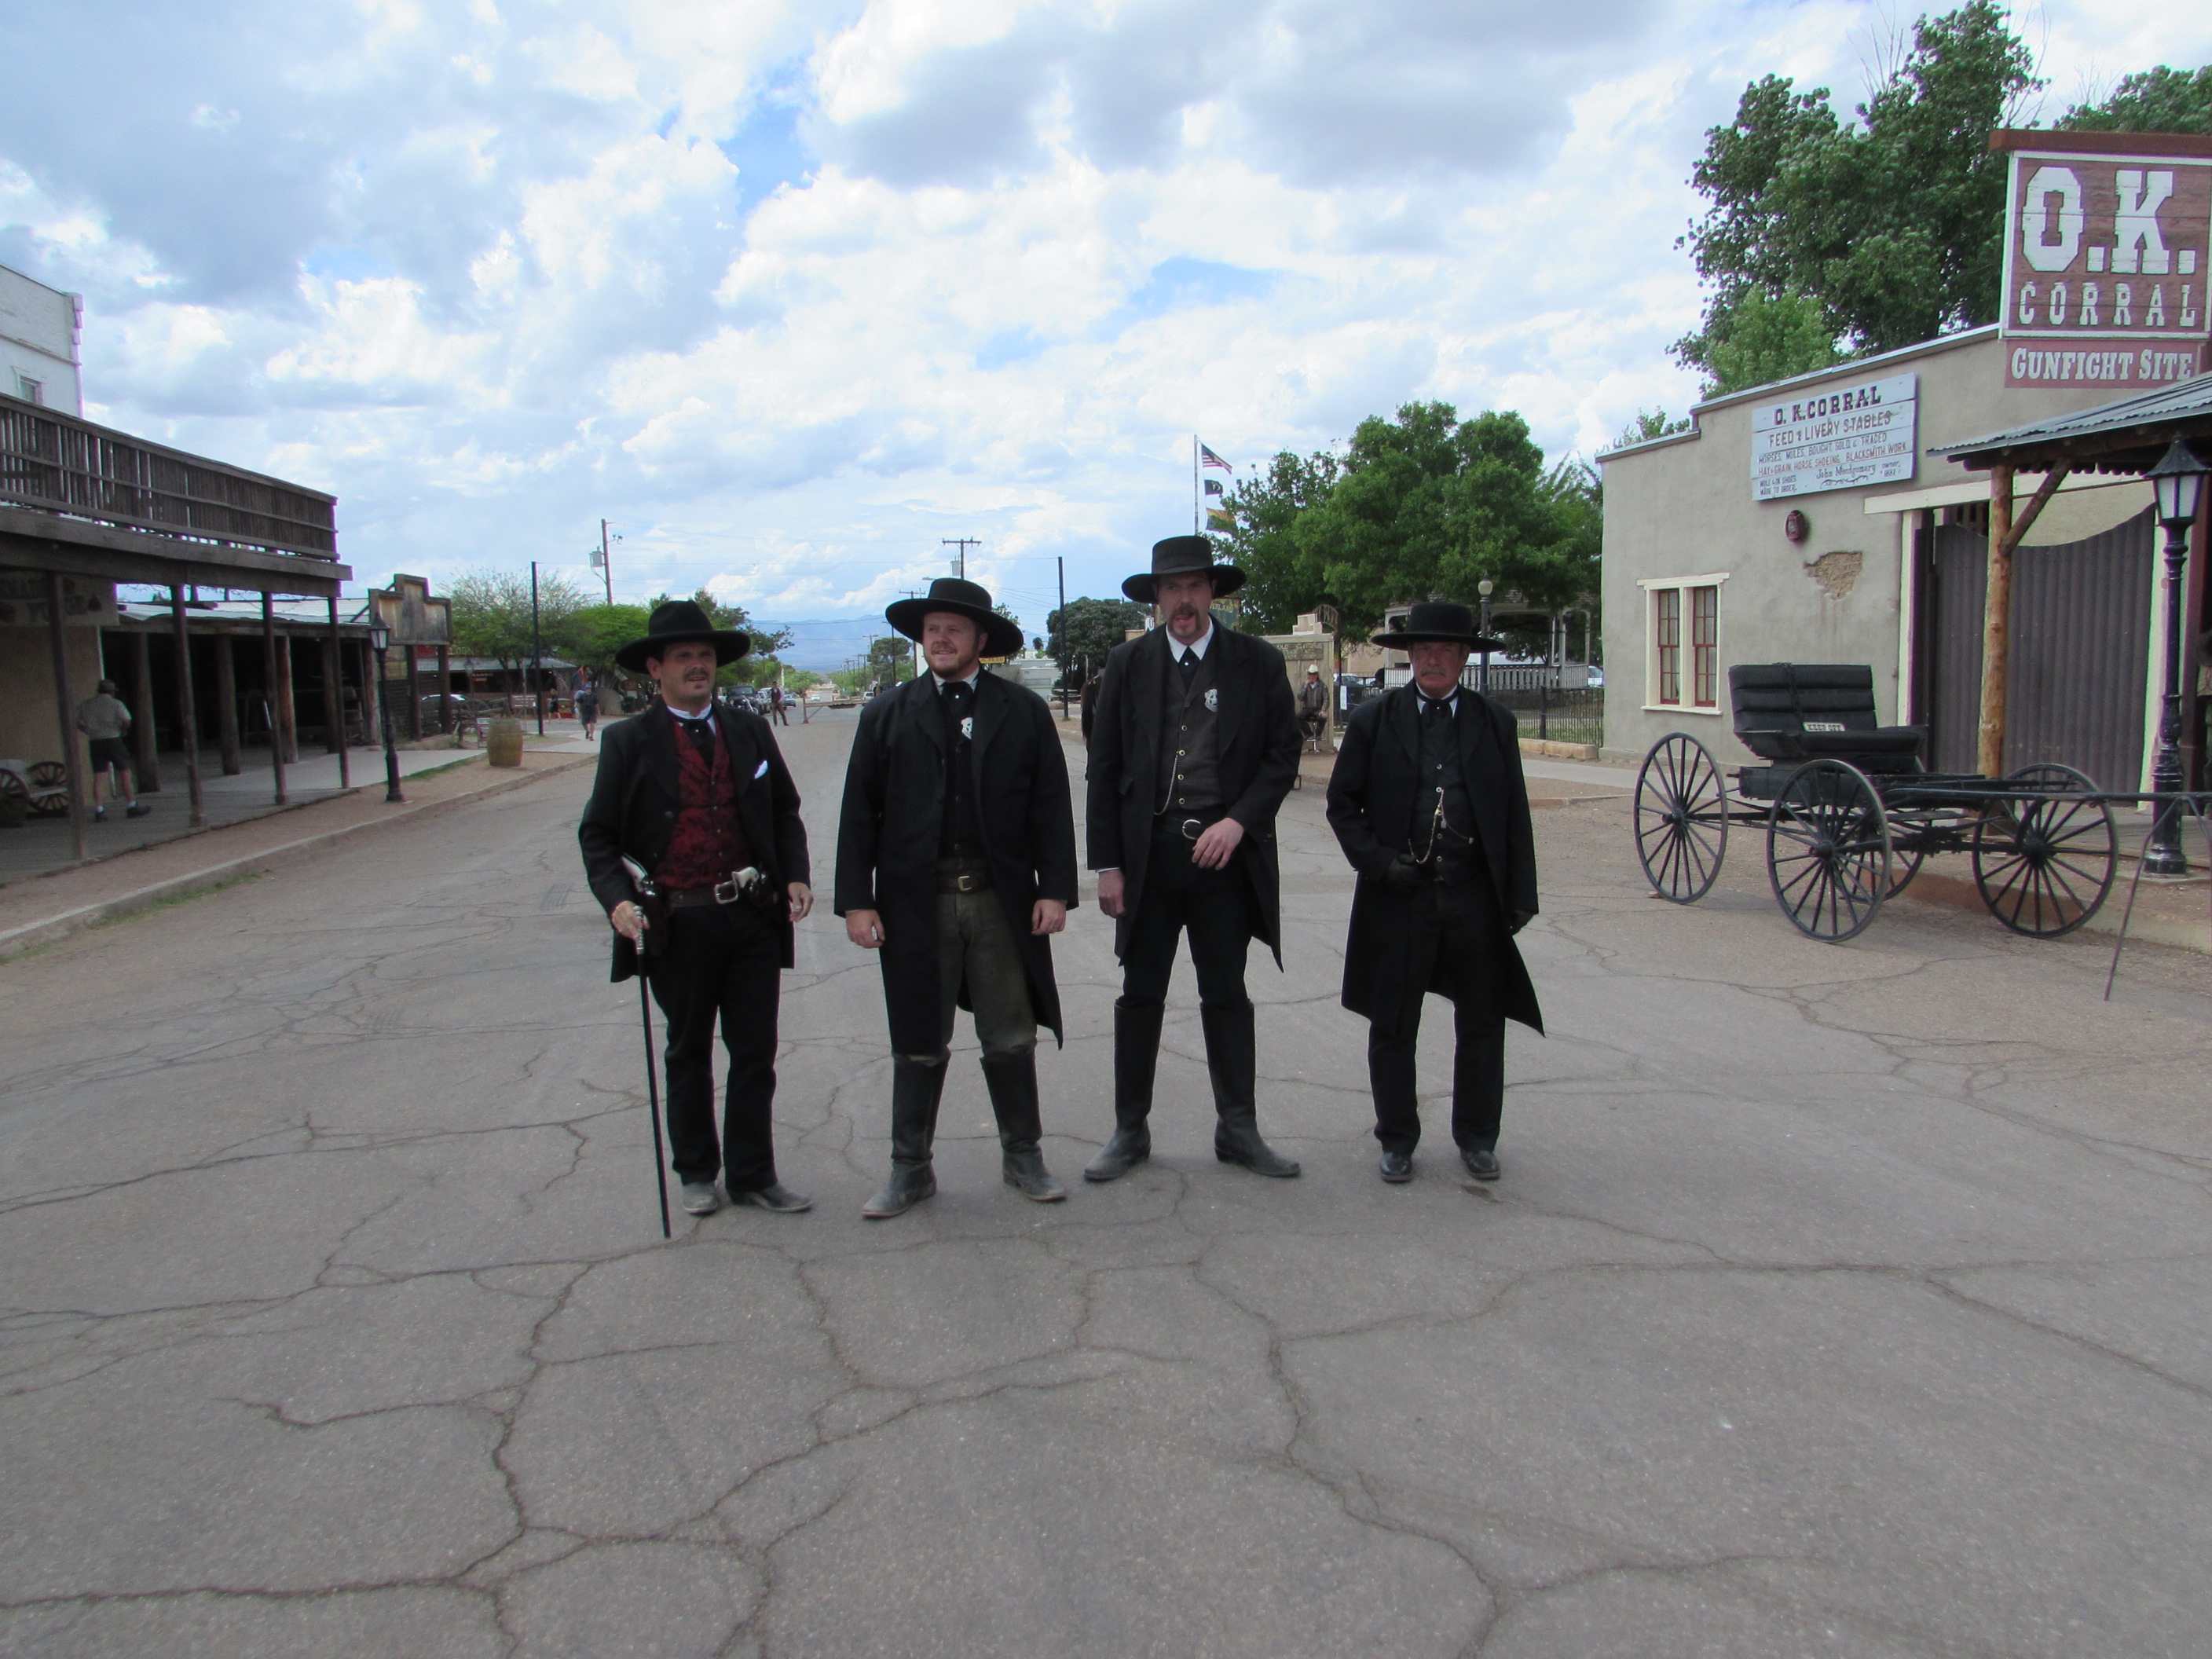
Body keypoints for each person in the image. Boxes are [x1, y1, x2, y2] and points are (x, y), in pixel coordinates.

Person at [835, 577, 1079, 1218]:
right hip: (917, 904)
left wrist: (1055, 890)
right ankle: (909, 1169)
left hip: (1000, 900)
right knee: (918, 1040)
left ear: (980, 640)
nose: (940, 639)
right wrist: (857, 900)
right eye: (932, 629)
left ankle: (1023, 1157)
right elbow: (859, 813)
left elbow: (1050, 807)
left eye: (954, 629)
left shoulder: (1022, 711)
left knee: (1010, 1036)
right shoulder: (887, 714)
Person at [578, 600, 815, 1218]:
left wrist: (795, 874)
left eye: (704, 655)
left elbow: (783, 809)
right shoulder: (627, 741)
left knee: (755, 1051)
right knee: (688, 1051)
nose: (696, 666)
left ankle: (753, 1175)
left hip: (750, 915)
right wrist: (618, 900)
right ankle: (696, 1172)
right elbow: (598, 836)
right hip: (678, 921)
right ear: (655, 668)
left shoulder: (749, 730)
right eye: (682, 656)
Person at [1082, 535, 1302, 1183]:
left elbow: (1282, 755)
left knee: (1226, 993)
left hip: (1222, 857)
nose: (1184, 599)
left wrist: (1239, 821)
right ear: (1157, 597)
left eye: (1195, 586)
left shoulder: (1258, 662)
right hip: (1149, 857)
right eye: (1172, 587)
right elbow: (1104, 768)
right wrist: (1108, 865)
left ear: (1213, 593)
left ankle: (1238, 1129)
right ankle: (1129, 1131)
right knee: (1140, 994)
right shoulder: (1127, 664)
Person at [1324, 602, 1541, 1185]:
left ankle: (1478, 1137)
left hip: (1473, 896)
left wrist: (1520, 894)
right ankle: (1397, 1138)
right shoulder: (1374, 720)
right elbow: (1342, 805)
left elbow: (1514, 812)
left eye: (1446, 650)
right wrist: (1379, 864)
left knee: (1483, 1022)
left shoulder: (1495, 722)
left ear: (1465, 657)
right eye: (1424, 650)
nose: (1434, 660)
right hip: (1400, 896)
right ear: (1410, 657)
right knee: (1393, 1023)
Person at [75, 680, 149, 822]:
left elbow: (74, 719)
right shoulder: (116, 704)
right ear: (112, 692)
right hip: (113, 740)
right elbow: (126, 720)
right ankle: (131, 806)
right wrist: (123, 729)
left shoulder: (87, 705)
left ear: (98, 690)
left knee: (99, 777)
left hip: (95, 741)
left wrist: (85, 729)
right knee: (125, 774)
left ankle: (99, 810)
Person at [1298, 666, 1330, 753]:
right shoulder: (1305, 685)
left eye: (1314, 674)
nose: (1312, 676)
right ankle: (1308, 733)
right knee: (1298, 716)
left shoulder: (1322, 686)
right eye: (1310, 674)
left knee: (1323, 717)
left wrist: (1323, 710)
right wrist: (1305, 687)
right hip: (1307, 709)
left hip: (1317, 709)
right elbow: (1300, 698)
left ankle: (1318, 734)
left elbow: (1326, 699)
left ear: (1317, 675)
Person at [574, 676, 599, 741]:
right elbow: (578, 702)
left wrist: (598, 711)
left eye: (589, 688)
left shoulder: (594, 695)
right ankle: (588, 731)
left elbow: (596, 704)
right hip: (584, 711)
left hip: (592, 711)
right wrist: (579, 709)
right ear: (585, 689)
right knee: (584, 723)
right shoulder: (583, 695)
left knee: (592, 723)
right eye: (587, 688)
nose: (588, 689)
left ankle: (591, 735)